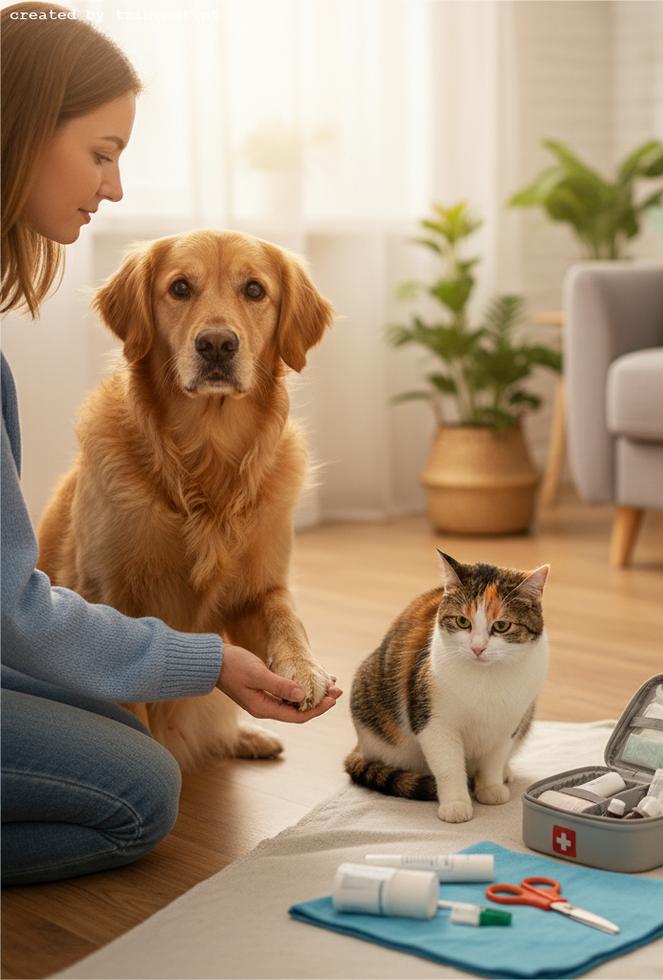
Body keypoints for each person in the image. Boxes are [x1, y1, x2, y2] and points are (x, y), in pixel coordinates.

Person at [0, 2, 342, 886]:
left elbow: (260, 593)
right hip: (30, 642)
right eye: (103, 153)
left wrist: (251, 656)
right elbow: (27, 613)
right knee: (141, 794)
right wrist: (211, 663)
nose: (112, 187)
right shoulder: (109, 445)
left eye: (249, 300)